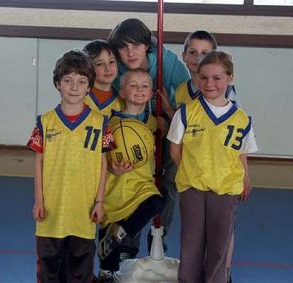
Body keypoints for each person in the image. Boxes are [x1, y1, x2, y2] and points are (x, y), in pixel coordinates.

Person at [167, 51, 258, 283]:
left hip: (226, 190)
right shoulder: (186, 113)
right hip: (193, 189)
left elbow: (241, 154)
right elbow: (175, 150)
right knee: (191, 244)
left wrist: (245, 179)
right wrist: (191, 172)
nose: (209, 83)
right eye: (204, 77)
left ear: (230, 78)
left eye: (217, 78)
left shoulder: (241, 119)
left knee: (219, 246)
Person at [27, 50, 114, 283]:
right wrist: (39, 200)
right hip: (51, 214)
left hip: (83, 213)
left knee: (80, 272)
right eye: (68, 80)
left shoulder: (100, 123)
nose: (74, 87)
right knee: (48, 271)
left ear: (89, 87)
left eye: (81, 81)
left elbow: (103, 163)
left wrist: (99, 201)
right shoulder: (45, 122)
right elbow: (39, 162)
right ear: (58, 84)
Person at [108, 17, 190, 258]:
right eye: (123, 47)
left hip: (165, 127)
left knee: (167, 185)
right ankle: (126, 244)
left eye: (136, 45)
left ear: (147, 46)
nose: (130, 52)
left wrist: (169, 116)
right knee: (130, 182)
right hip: (133, 132)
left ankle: (158, 243)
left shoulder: (166, 61)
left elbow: (188, 95)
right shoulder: (118, 70)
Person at [97, 69, 165, 283]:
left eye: (145, 86)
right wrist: (111, 167)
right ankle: (105, 273)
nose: (139, 90)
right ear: (122, 93)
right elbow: (100, 155)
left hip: (141, 185)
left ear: (152, 92)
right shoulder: (109, 124)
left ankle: (121, 231)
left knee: (157, 203)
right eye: (133, 85)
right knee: (111, 256)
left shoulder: (153, 123)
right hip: (114, 187)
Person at [175, 30, 236, 108]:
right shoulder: (180, 91)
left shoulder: (224, 90)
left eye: (205, 54)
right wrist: (168, 109)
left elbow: (232, 117)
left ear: (213, 57)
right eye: (193, 52)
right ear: (184, 56)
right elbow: (181, 118)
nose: (198, 57)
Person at [83, 39, 123, 117]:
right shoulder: (79, 96)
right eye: (99, 64)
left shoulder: (122, 100)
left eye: (111, 62)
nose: (107, 69)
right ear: (88, 68)